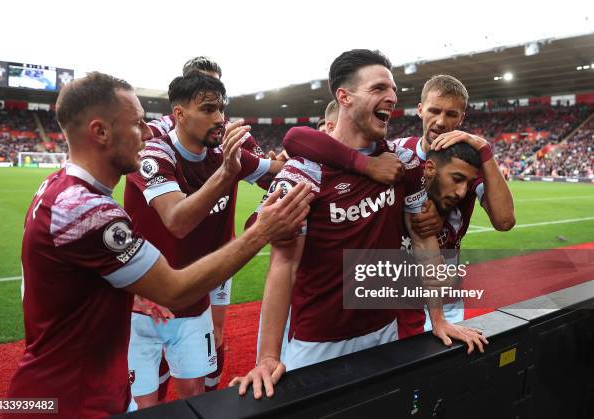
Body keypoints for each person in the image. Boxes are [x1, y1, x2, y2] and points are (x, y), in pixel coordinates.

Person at [6, 72, 312, 418]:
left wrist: (129, 287)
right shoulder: (86, 210)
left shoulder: (59, 187)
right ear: (100, 132)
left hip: (45, 392)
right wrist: (261, 232)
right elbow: (176, 290)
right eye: (138, 123)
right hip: (69, 403)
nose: (150, 131)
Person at [232, 50, 487, 399]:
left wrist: (439, 319)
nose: (393, 97)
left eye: (394, 89)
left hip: (385, 333)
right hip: (318, 344)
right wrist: (267, 357)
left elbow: (423, 239)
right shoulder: (303, 174)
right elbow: (284, 264)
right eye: (379, 87)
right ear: (344, 96)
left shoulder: (400, 165)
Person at [282, 74, 515, 335]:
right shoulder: (398, 151)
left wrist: (484, 148)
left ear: (462, 119)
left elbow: (505, 221)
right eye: (434, 111)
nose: (441, 121)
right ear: (420, 110)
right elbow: (298, 139)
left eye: (451, 114)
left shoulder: (469, 162)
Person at [124, 72, 284, 407]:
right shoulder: (154, 153)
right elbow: (177, 221)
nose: (219, 119)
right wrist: (227, 172)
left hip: (196, 291)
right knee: (145, 404)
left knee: (194, 395)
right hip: (144, 299)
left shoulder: (224, 148)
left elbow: (278, 172)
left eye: (221, 109)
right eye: (208, 109)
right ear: (179, 114)